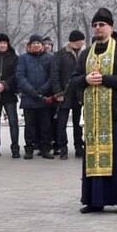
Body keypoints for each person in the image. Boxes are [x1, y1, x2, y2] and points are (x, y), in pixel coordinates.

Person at [71, 7, 117, 215]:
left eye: (102, 25)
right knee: (94, 157)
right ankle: (95, 200)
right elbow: (73, 80)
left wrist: (105, 80)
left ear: (111, 27)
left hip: (115, 114)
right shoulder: (86, 54)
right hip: (93, 116)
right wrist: (85, 79)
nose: (98, 28)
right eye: (95, 25)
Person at [16, 34, 55, 159]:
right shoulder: (23, 58)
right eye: (34, 43)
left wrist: (43, 90)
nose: (36, 45)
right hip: (28, 97)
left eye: (38, 43)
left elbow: (52, 76)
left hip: (44, 97)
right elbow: (20, 76)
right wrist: (31, 91)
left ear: (42, 45)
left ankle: (45, 149)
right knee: (29, 125)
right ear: (30, 45)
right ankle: (29, 149)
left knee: (46, 125)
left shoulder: (50, 58)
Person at [50, 30, 85, 159]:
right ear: (73, 41)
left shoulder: (84, 54)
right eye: (80, 41)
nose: (82, 43)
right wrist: (58, 92)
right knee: (62, 123)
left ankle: (79, 147)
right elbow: (54, 74)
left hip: (79, 93)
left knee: (78, 123)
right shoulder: (61, 54)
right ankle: (63, 147)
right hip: (64, 93)